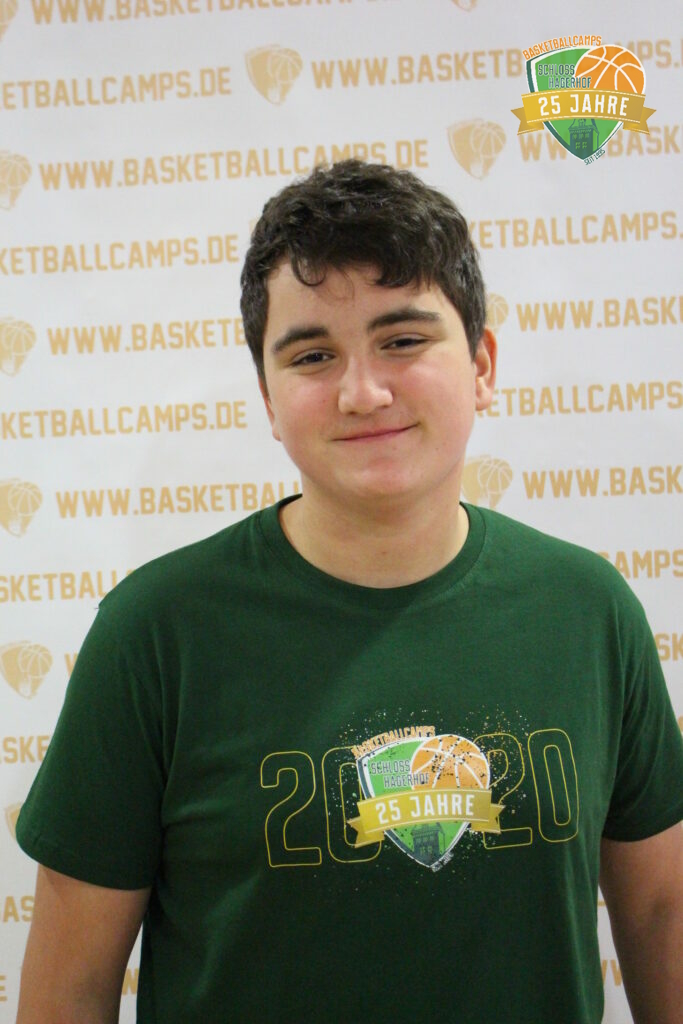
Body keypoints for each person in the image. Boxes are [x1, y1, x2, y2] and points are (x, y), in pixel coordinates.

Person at [16, 160, 682, 1024]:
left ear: (481, 364)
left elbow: (660, 912)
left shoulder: (586, 609)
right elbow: (68, 990)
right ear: (268, 396)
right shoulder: (154, 632)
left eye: (402, 340)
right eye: (313, 356)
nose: (362, 392)